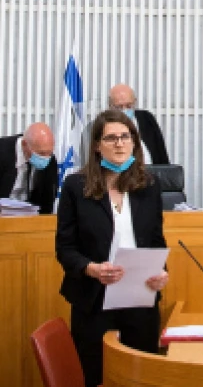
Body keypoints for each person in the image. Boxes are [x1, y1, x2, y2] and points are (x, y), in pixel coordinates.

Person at [55, 111, 168, 387]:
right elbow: (65, 248)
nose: (119, 144)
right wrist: (91, 269)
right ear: (97, 145)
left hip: (140, 297)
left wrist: (162, 272)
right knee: (97, 375)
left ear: (134, 143)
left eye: (125, 137)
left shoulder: (149, 186)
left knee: (142, 376)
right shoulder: (75, 187)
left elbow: (156, 241)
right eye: (111, 138)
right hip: (94, 299)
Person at [108, 83, 170, 164]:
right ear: (110, 106)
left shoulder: (146, 118)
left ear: (135, 102)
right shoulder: (105, 125)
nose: (124, 110)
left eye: (129, 106)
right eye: (119, 107)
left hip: (152, 172)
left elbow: (161, 151)